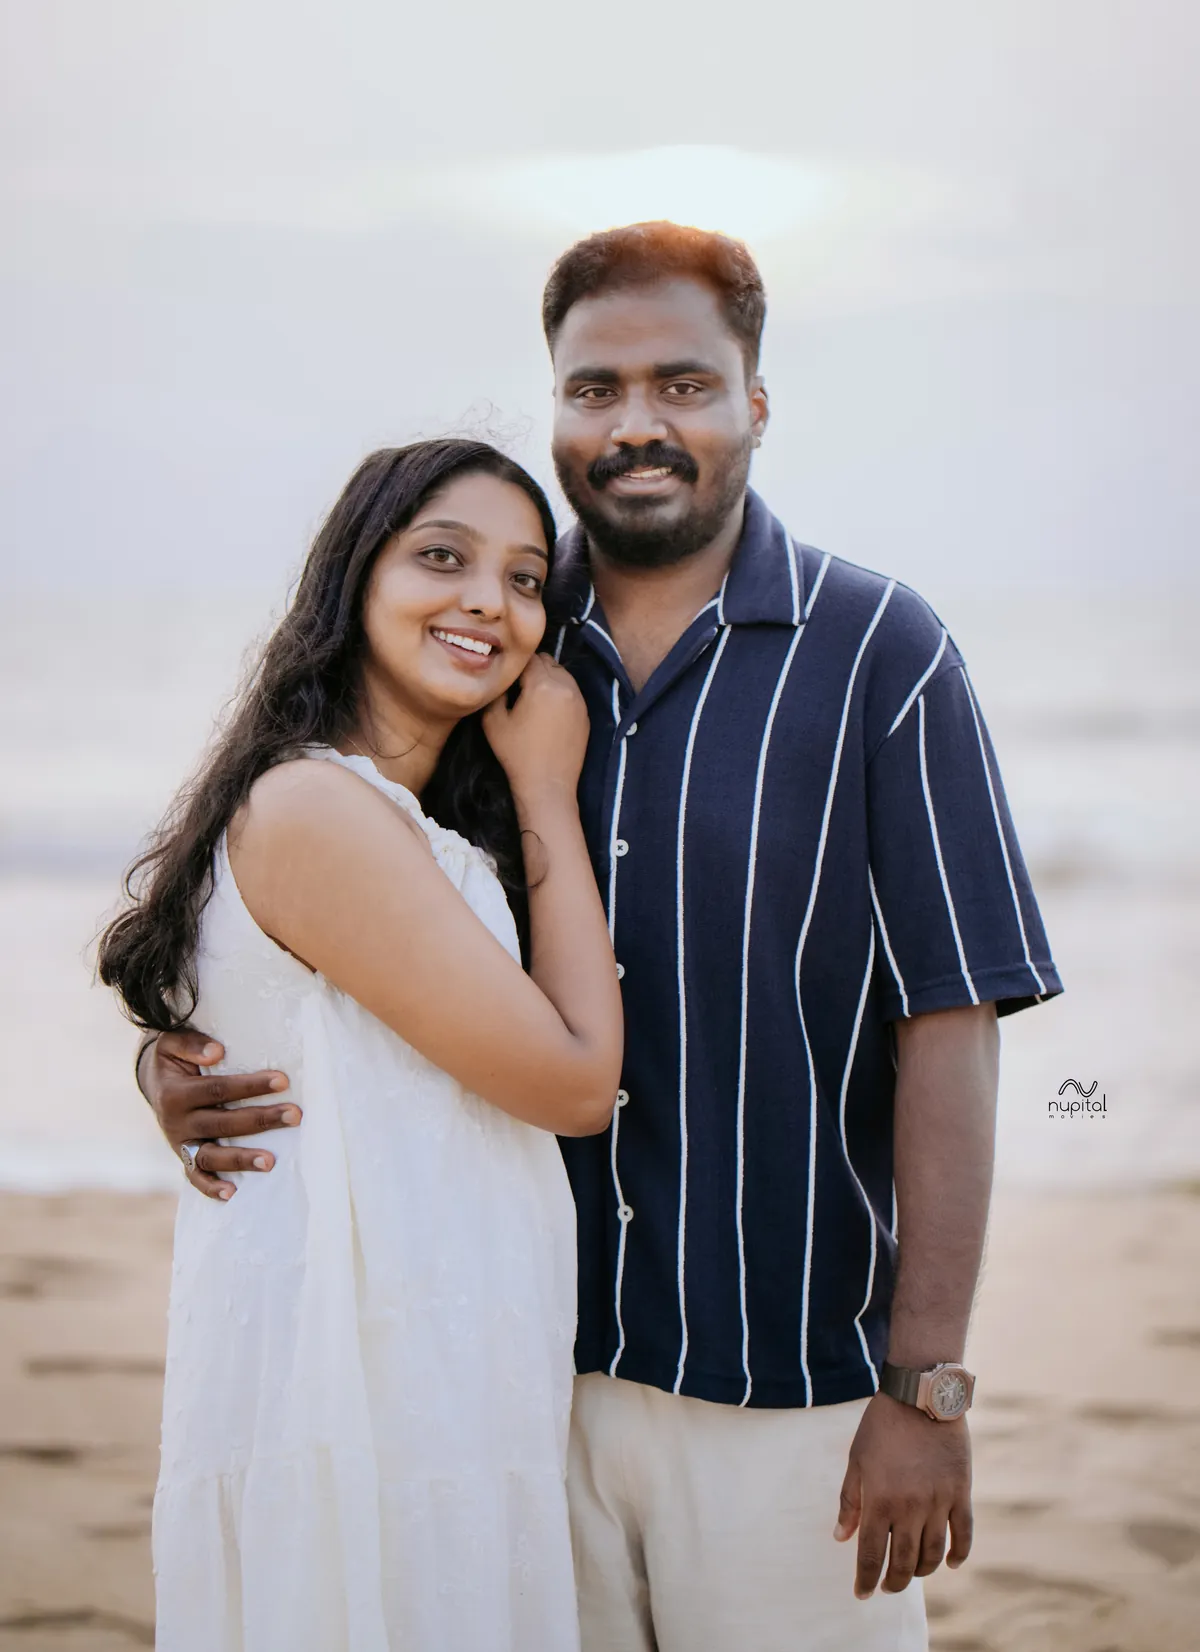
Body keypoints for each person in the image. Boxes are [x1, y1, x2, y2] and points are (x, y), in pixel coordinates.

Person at [139, 224, 1062, 1652]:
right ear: (557, 404)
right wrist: (181, 1065)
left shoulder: (882, 652)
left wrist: (926, 1385)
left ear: (755, 402)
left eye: (684, 385)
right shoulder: (490, 644)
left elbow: (951, 1019)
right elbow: (317, 912)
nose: (637, 424)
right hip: (512, 1387)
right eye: (595, 388)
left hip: (786, 1400)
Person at [99, 438, 624, 1651]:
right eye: (443, 557)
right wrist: (550, 792)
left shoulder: (392, 818)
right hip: (370, 1393)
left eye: (528, 577)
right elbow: (578, 1082)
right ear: (356, 578)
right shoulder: (321, 808)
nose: (490, 601)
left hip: (421, 1367)